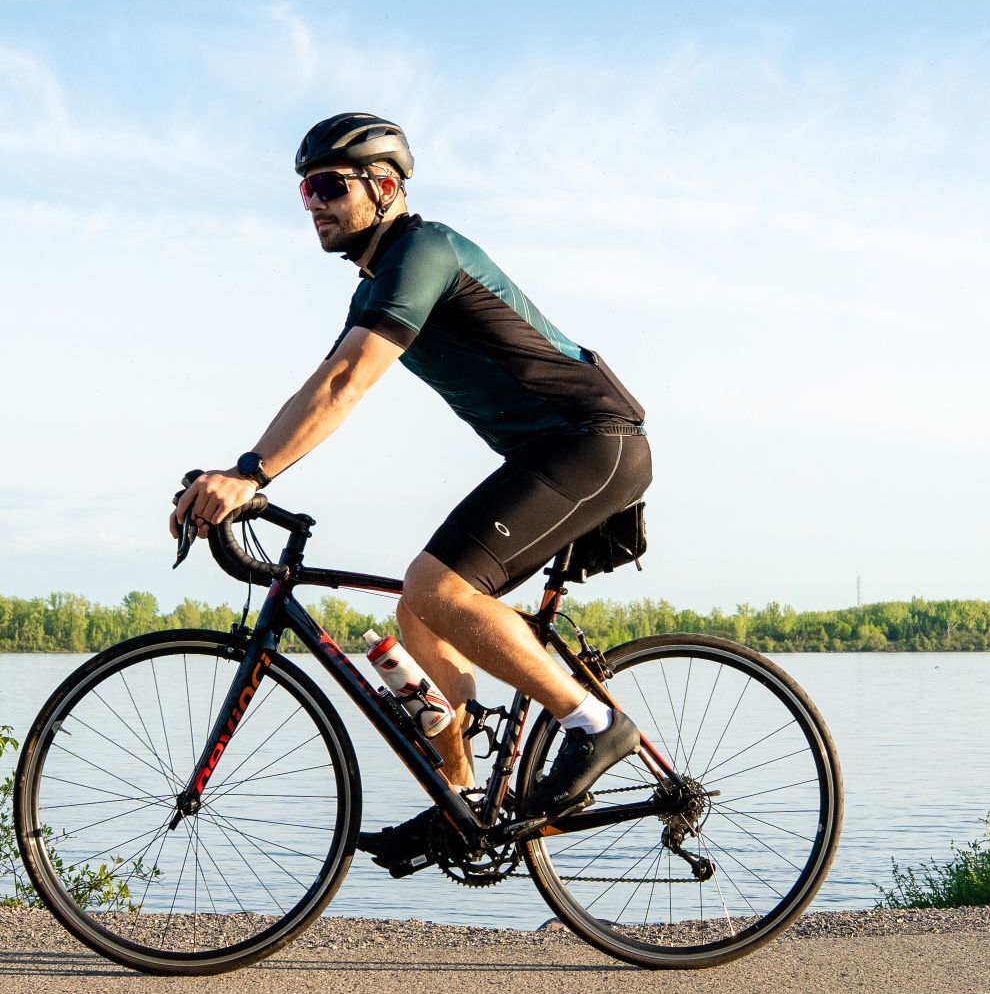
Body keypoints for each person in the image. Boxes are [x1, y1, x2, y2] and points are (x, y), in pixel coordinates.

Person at [169, 113, 652, 875]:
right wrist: (238, 468)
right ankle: (460, 798)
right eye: (305, 191)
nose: (313, 204)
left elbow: (343, 384)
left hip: (591, 441)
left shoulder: (424, 252)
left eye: (328, 185)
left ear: (385, 185)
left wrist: (250, 476)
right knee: (417, 615)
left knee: (437, 588)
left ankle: (593, 723)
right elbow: (319, 389)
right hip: (550, 451)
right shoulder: (381, 278)